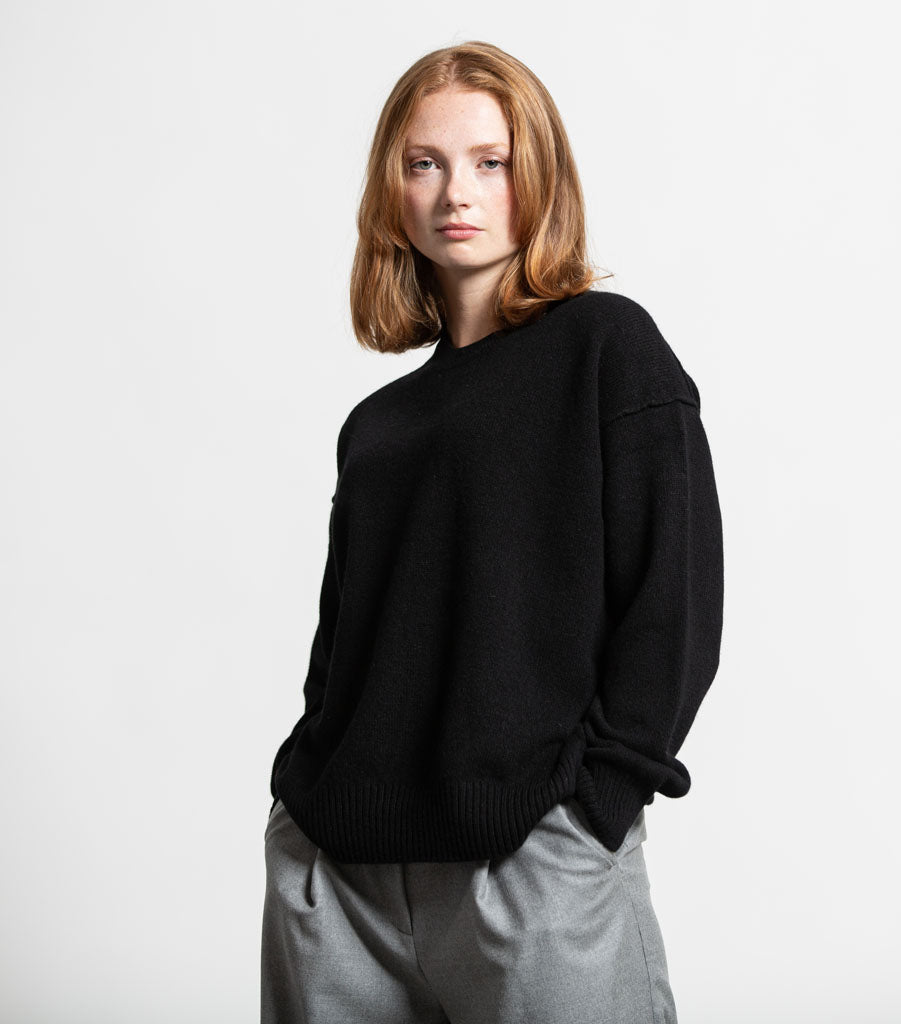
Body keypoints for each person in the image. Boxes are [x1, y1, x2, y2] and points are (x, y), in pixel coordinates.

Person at [261, 39, 724, 1024]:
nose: (455, 193)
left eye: (490, 161)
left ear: (538, 174)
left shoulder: (608, 349)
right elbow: (341, 654)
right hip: (339, 885)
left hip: (529, 867)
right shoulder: (378, 427)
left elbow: (672, 605)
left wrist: (593, 814)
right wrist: (300, 804)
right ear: (392, 190)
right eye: (424, 163)